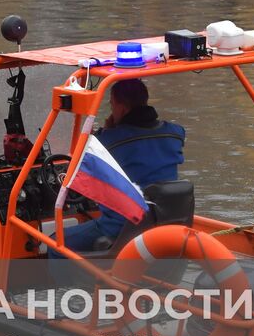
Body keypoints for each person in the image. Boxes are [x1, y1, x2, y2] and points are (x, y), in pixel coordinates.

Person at [62, 78, 185, 252]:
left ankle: (80, 280)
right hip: (164, 221)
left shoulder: (106, 142)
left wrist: (107, 132)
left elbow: (84, 164)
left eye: (112, 106)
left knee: (55, 243)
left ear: (122, 108)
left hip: (122, 226)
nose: (111, 110)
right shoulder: (176, 134)